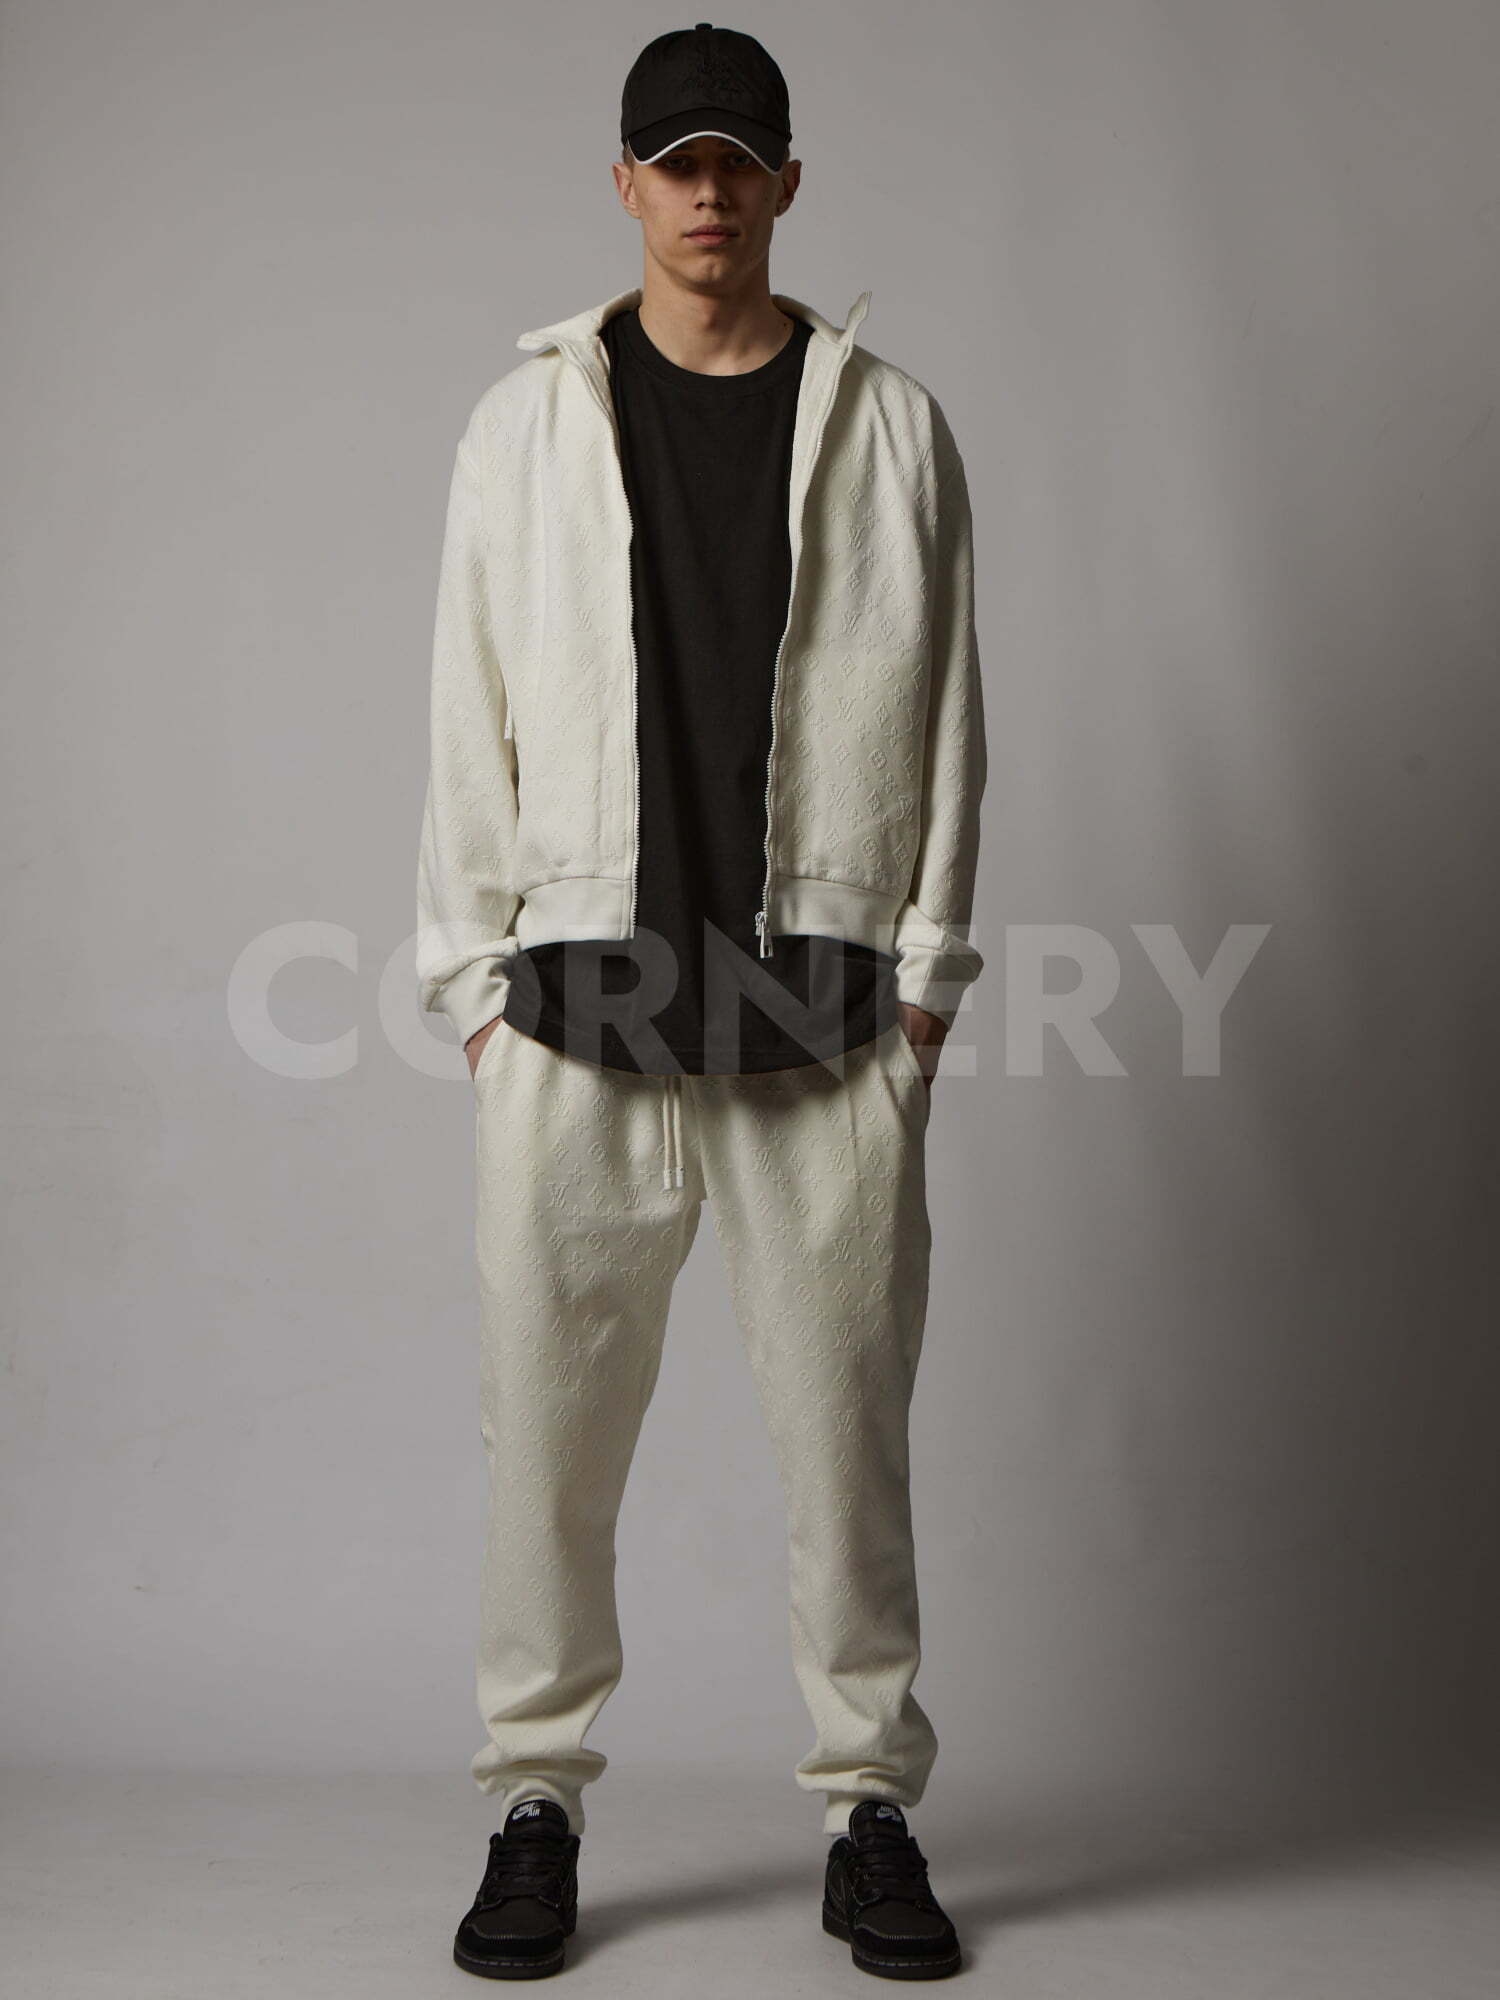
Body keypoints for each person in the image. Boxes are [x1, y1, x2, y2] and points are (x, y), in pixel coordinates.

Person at [416, 21, 987, 1982]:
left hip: (825, 1016)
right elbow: (467, 701)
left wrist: (927, 979)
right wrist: (469, 977)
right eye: (679, 163)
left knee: (848, 1443)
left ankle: (870, 1807)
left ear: (789, 184)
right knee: (547, 1447)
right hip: (574, 1010)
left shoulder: (889, 425)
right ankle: (533, 1801)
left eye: (741, 160)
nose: (711, 193)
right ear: (627, 186)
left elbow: (950, 707)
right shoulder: (525, 427)